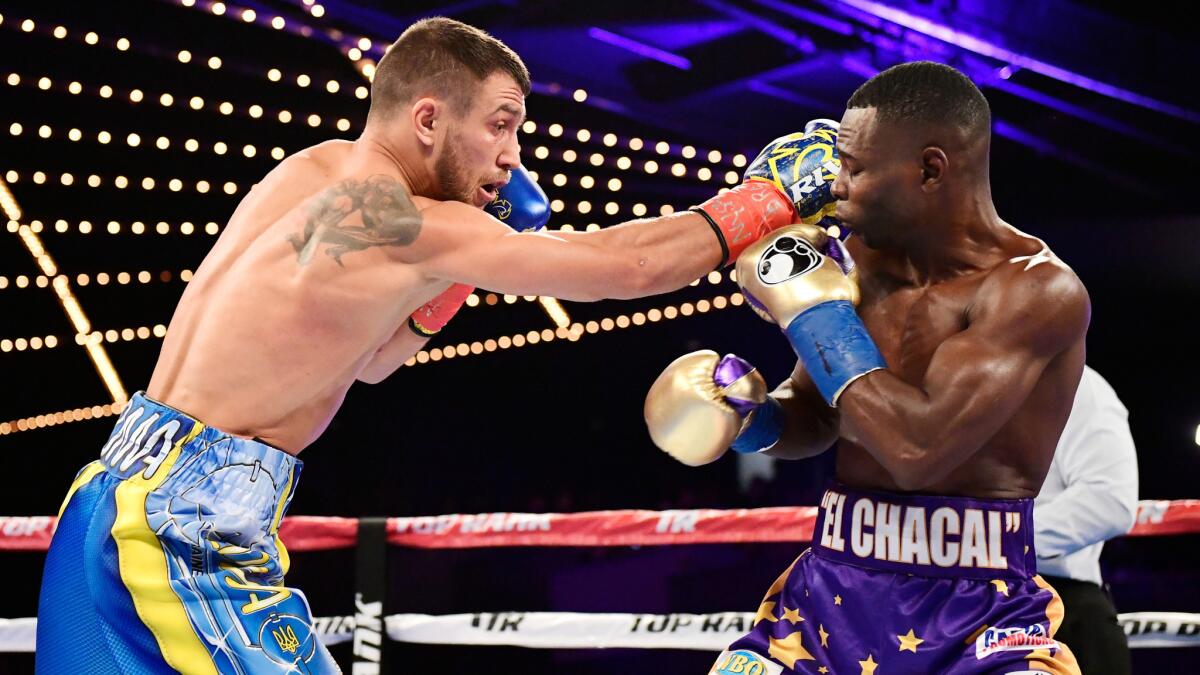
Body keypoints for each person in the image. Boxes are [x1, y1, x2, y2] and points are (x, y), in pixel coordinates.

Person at [34, 17, 839, 675]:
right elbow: (622, 266)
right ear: (428, 118)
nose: (513, 154)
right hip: (178, 535)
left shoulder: (311, 174)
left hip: (118, 496)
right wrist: (763, 200)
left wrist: (457, 276)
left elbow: (374, 358)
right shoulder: (408, 223)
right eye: (501, 126)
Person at [645, 61, 1090, 674]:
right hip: (828, 596)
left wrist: (812, 312)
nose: (836, 186)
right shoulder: (859, 260)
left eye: (855, 168)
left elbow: (916, 450)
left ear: (931, 169)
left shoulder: (1036, 292)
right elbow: (820, 416)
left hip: (977, 613)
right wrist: (749, 417)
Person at [1035, 365, 1139, 675]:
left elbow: (1108, 499)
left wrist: (997, 542)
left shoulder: (1075, 385)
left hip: (1057, 600)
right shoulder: (949, 380)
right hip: (949, 602)